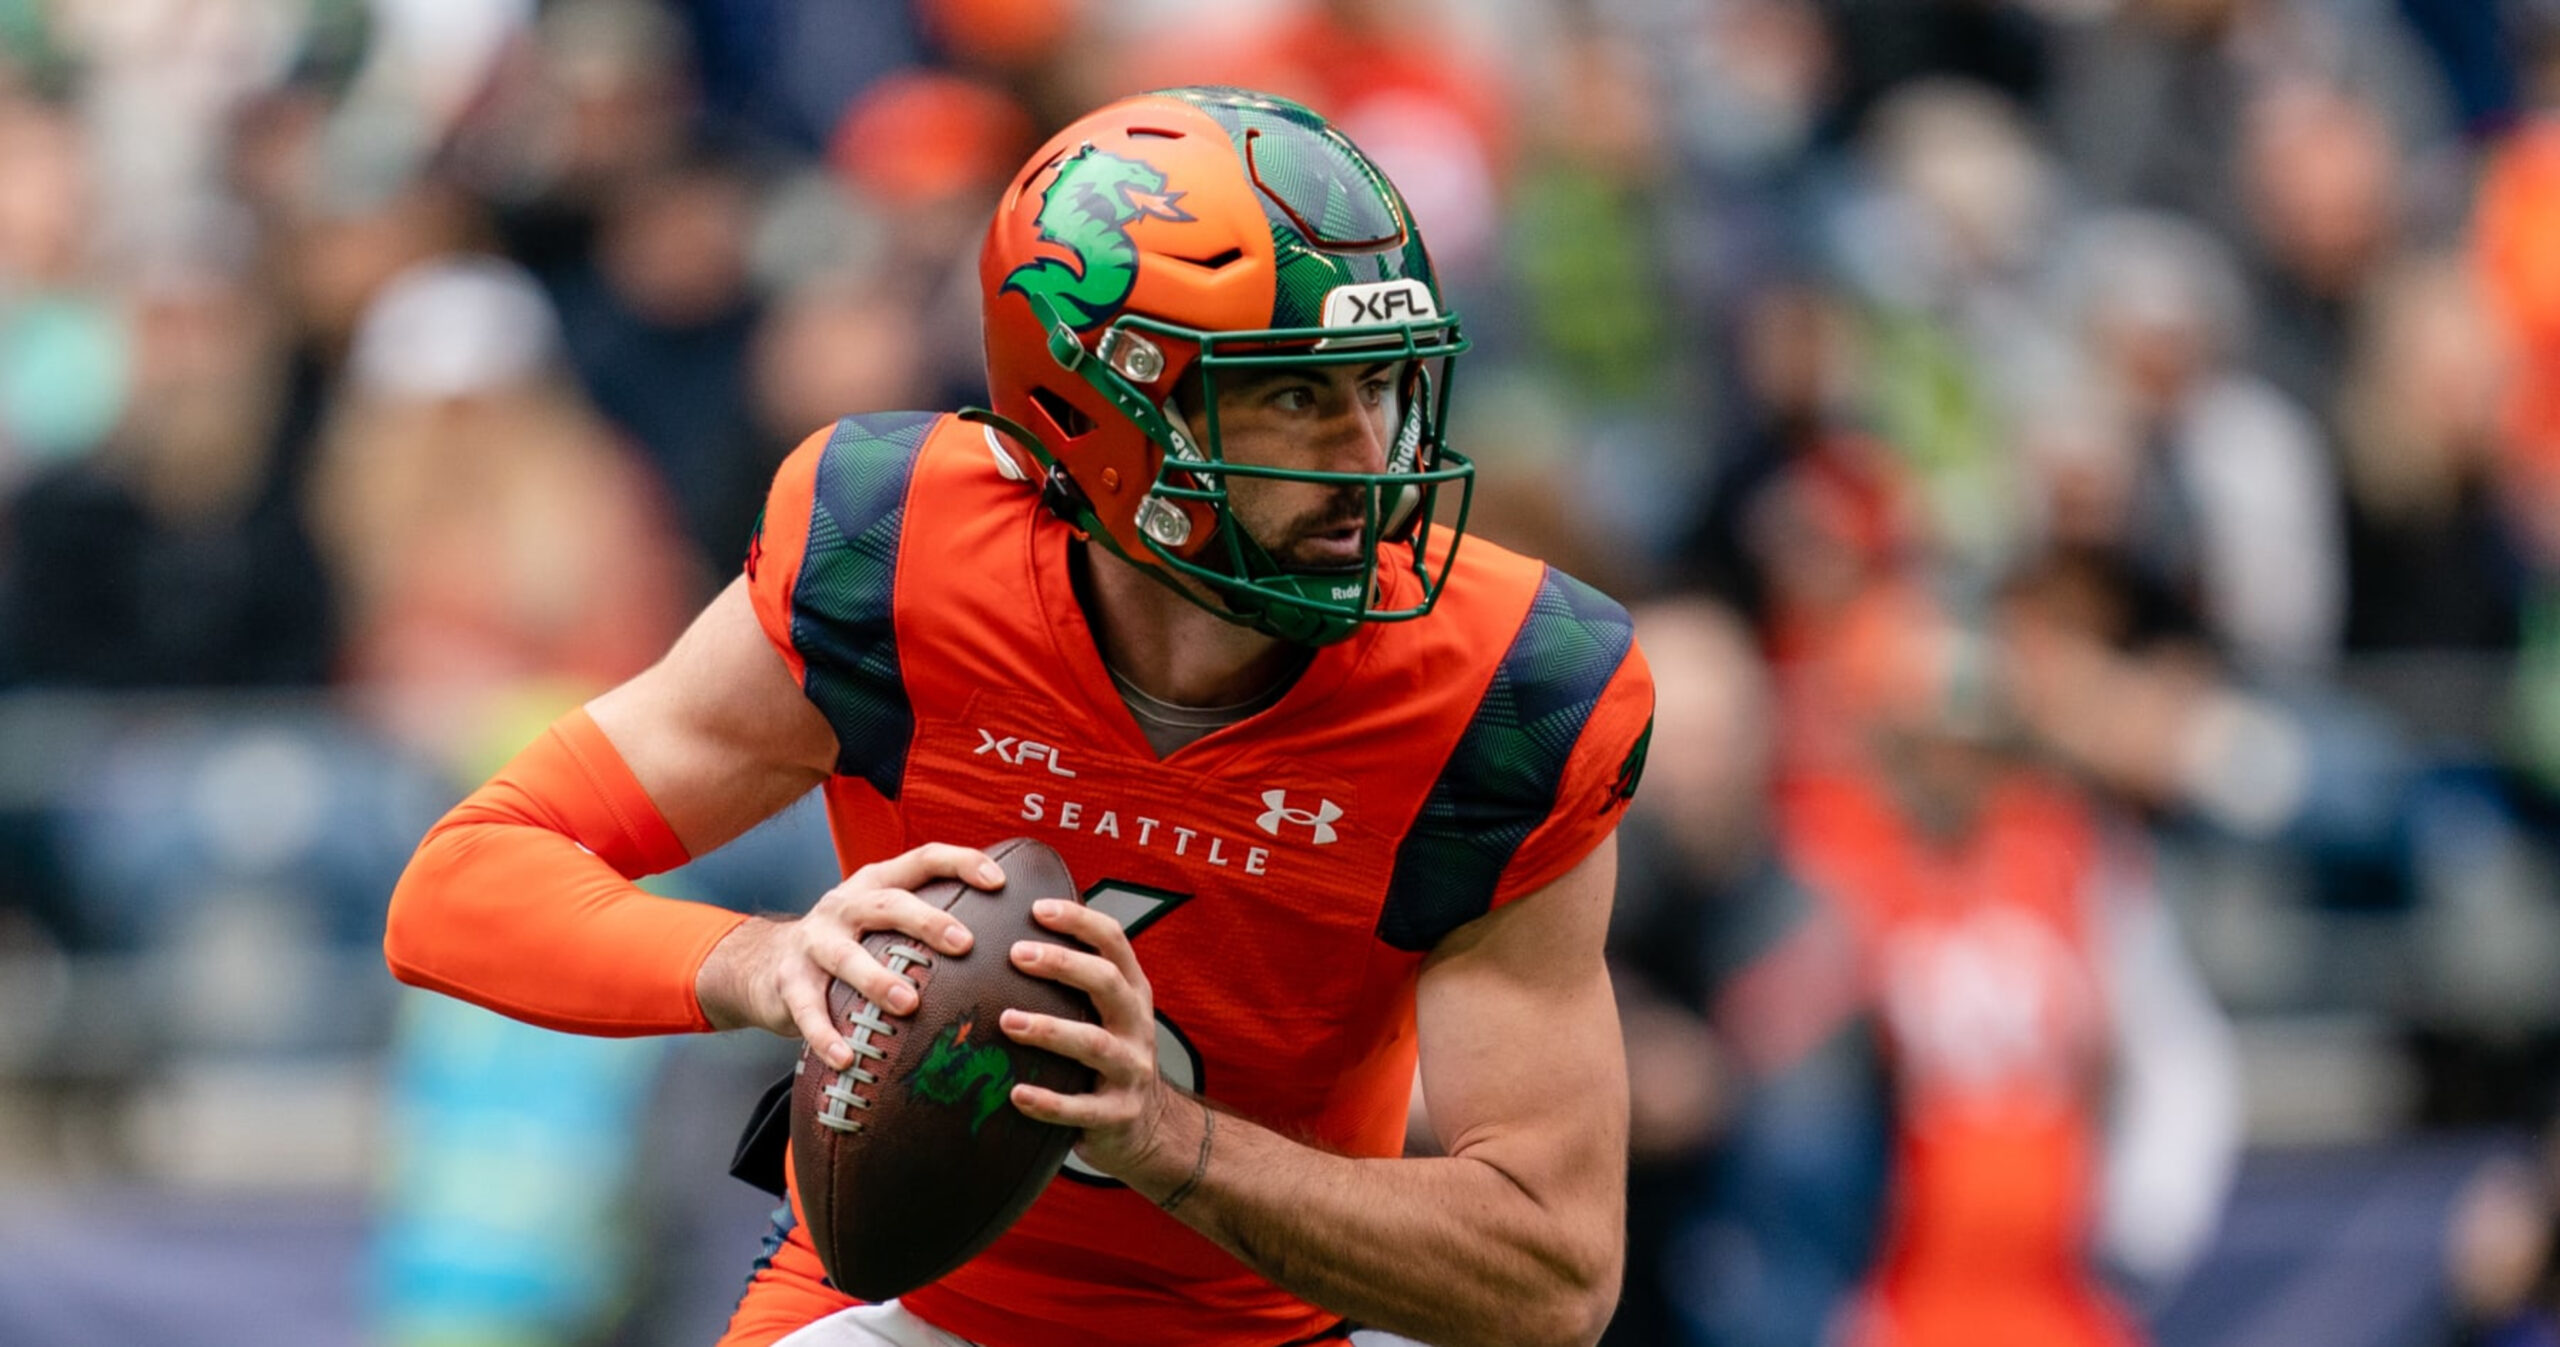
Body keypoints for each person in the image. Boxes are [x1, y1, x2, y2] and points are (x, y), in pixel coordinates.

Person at [383, 86, 1655, 1347]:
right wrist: (760, 964)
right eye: (1292, 397)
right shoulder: (894, 557)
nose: (1371, 461)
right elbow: (461, 883)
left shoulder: (1504, 691)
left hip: (1286, 1330)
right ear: (1102, 410)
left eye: (1380, 385)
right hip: (906, 1307)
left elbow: (1553, 1276)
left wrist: (1168, 1140)